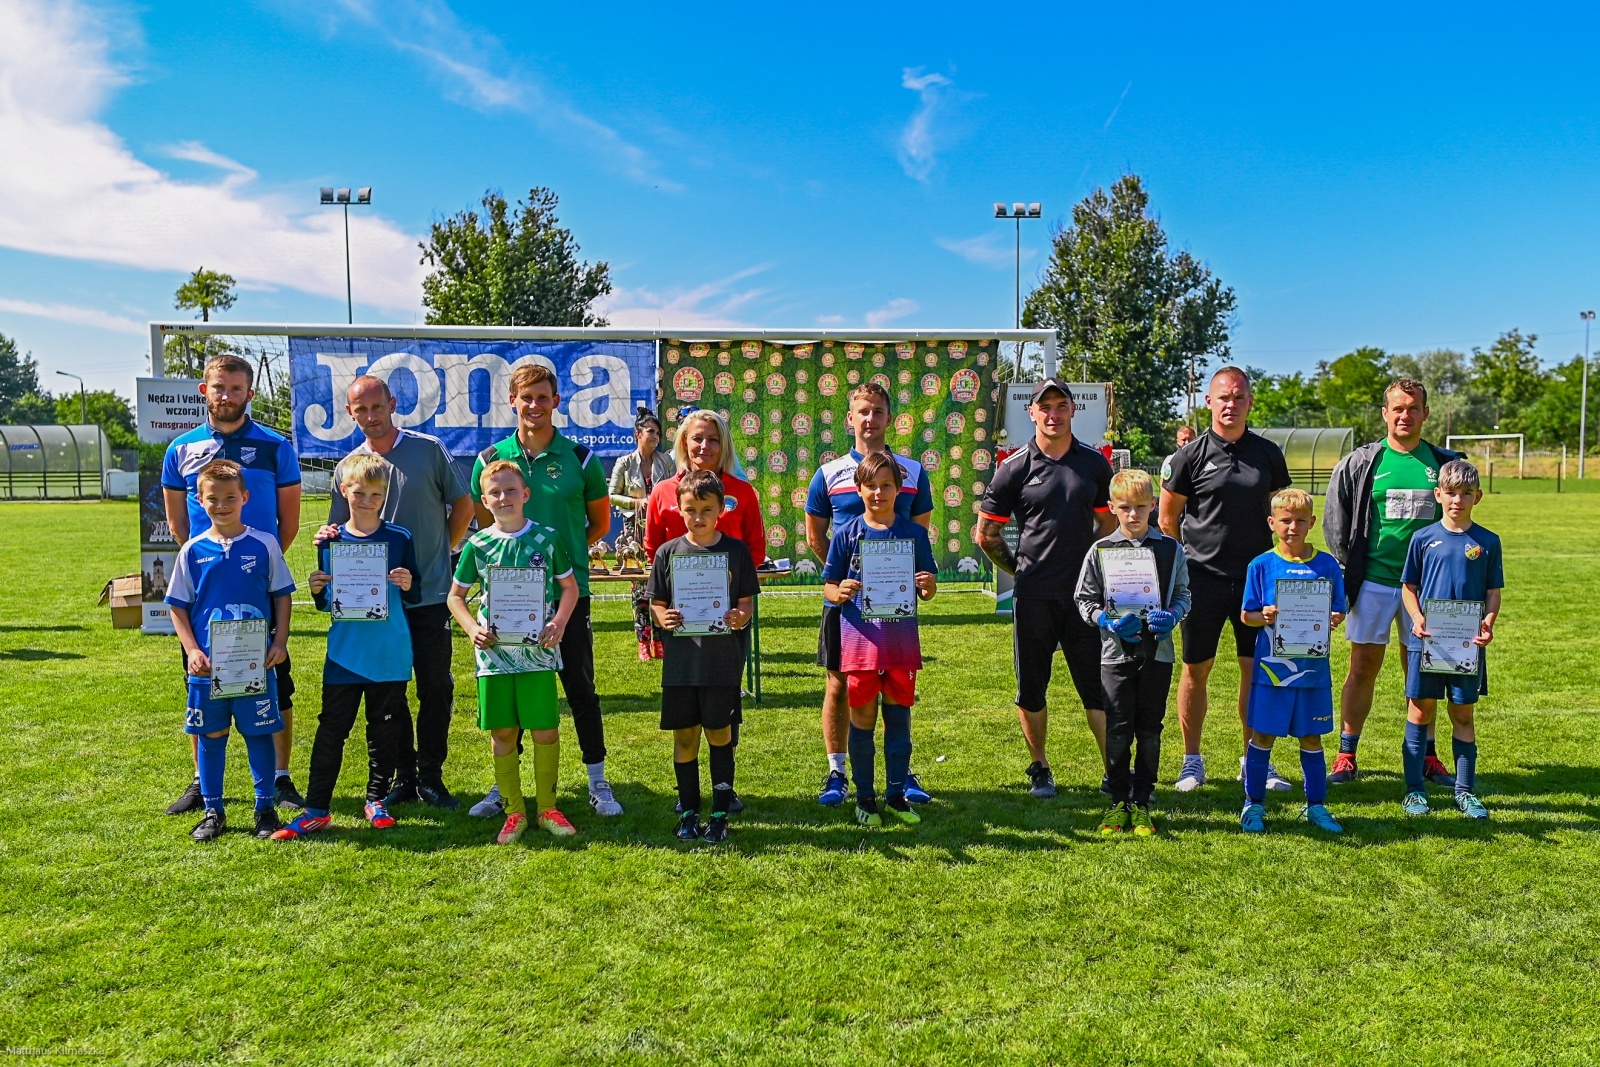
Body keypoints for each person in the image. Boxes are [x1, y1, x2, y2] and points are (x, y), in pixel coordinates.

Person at [468, 363, 620, 819]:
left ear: (557, 402)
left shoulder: (580, 458)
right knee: (510, 691)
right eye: (525, 397)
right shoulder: (491, 458)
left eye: (543, 397)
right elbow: (484, 525)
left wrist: (556, 560)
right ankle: (504, 788)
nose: (534, 405)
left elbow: (600, 524)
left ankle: (597, 780)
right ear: (512, 401)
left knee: (579, 687)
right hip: (506, 598)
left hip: (567, 594)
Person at [318, 374, 474, 811]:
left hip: (428, 597)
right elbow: (337, 529)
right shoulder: (349, 467)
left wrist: (442, 548)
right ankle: (403, 776)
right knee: (390, 691)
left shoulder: (426, 449)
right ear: (351, 413)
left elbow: (463, 505)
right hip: (376, 606)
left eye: (377, 406)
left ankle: (431, 776)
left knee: (435, 687)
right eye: (360, 410)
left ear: (392, 403)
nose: (370, 416)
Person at [161, 354, 304, 815]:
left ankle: (280, 778)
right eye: (219, 387)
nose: (227, 396)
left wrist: (254, 562)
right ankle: (204, 783)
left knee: (274, 679)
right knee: (199, 679)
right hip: (207, 591)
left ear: (249, 393)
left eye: (236, 388)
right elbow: (179, 524)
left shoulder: (276, 446)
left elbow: (289, 523)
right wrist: (211, 565)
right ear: (204, 391)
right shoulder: (179, 450)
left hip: (257, 587)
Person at [975, 378, 1115, 799]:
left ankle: (1113, 770)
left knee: (1096, 683)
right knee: (1032, 686)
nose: (1053, 415)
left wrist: (1090, 565)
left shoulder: (1093, 464)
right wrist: (1022, 571)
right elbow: (986, 535)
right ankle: (1040, 767)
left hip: (1083, 599)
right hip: (1034, 596)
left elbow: (1108, 523)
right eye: (1045, 407)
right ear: (1032, 413)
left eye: (1060, 406)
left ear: (1073, 410)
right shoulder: (1014, 468)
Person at [1159, 366, 1293, 793]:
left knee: (1255, 673)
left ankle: (1255, 760)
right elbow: (1167, 518)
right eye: (1223, 397)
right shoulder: (1189, 456)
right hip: (1202, 581)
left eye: (1239, 397)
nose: (1231, 404)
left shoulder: (1269, 453)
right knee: (1196, 671)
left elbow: (1285, 514)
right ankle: (1191, 761)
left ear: (1250, 402)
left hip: (1257, 583)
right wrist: (1182, 570)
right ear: (1208, 402)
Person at [1324, 378, 1463, 787]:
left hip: (1427, 590)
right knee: (1362, 668)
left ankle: (1427, 755)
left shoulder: (1443, 463)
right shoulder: (1362, 461)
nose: (1405, 415)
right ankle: (1347, 754)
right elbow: (1337, 522)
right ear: (1385, 414)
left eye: (1413, 407)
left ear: (1426, 413)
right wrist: (1350, 572)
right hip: (1375, 584)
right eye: (1397, 408)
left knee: (1423, 671)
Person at [274, 455, 421, 840]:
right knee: (331, 730)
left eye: (376, 494)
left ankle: (376, 799)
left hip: (389, 652)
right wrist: (318, 589)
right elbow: (327, 605)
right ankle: (318, 808)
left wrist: (407, 583)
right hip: (345, 653)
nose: (368, 500)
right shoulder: (331, 540)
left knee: (384, 731)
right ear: (344, 491)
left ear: (385, 495)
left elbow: (415, 590)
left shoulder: (399, 538)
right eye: (360, 493)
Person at [805, 382, 935, 807]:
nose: (870, 419)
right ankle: (837, 772)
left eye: (878, 411)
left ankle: (901, 776)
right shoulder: (828, 473)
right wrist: (849, 579)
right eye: (862, 411)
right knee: (840, 687)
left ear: (888, 417)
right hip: (847, 607)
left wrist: (902, 582)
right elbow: (816, 535)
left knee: (897, 694)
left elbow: (917, 538)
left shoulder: (913, 471)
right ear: (850, 418)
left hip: (896, 612)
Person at [449, 460, 581, 844]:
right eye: (495, 492)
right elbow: (455, 597)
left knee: (544, 729)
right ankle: (513, 811)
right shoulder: (478, 544)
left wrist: (558, 622)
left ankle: (548, 808)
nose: (503, 497)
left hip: (537, 652)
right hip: (494, 656)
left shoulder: (547, 538)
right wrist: (472, 628)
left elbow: (569, 588)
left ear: (525, 495)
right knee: (503, 731)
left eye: (510, 490)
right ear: (484, 501)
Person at [643, 408, 766, 814]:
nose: (704, 446)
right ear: (683, 443)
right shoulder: (662, 492)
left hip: (727, 620)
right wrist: (665, 611)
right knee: (687, 711)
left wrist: (737, 607)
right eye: (696, 438)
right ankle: (691, 795)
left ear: (724, 444)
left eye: (713, 439)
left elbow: (755, 550)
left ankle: (723, 789)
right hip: (682, 626)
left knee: (721, 707)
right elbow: (655, 552)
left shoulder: (743, 492)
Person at [163, 460, 295, 842]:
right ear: (200, 500)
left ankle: (264, 807)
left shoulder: (264, 543)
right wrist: (191, 650)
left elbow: (282, 596)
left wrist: (279, 641)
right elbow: (177, 605)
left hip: (254, 664)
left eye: (230, 498)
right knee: (211, 735)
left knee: (259, 733)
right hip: (207, 667)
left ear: (245, 498)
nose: (222, 505)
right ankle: (213, 809)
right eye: (213, 499)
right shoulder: (191, 550)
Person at [822, 452, 939, 827]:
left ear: (898, 489)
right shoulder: (846, 534)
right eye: (870, 485)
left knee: (899, 718)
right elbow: (828, 586)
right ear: (859, 489)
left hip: (900, 644)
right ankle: (865, 798)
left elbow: (929, 589)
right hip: (860, 643)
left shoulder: (914, 534)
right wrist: (839, 591)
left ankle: (895, 796)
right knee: (863, 718)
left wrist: (927, 586)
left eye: (886, 485)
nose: (878, 492)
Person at [1075, 469, 1190, 837]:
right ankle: (1117, 801)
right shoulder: (1100, 550)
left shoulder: (1171, 549)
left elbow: (1185, 595)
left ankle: (1142, 801)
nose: (1133, 514)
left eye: (1141, 506)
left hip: (1158, 654)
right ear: (1112, 508)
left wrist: (1172, 615)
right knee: (1118, 727)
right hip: (1114, 654)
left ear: (1154, 505)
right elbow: (1084, 598)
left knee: (1150, 727)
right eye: (1124, 507)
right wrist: (1105, 621)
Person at [1237, 488, 1348, 835]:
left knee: (1312, 738)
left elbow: (1339, 609)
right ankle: (1253, 805)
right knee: (1263, 735)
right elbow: (1246, 615)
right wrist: (1264, 616)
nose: (1292, 527)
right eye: (1285, 520)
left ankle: (1316, 806)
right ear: (1272, 523)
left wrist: (1332, 617)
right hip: (1272, 671)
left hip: (1313, 671)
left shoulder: (1327, 564)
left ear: (1312, 522)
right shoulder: (1261, 565)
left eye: (1301, 521)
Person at [1398, 460, 1501, 819]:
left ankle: (1465, 791)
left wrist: (1487, 622)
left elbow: (1493, 592)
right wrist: (1416, 618)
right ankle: (1414, 791)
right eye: (1452, 493)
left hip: (1466, 645)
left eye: (1466, 493)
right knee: (1420, 710)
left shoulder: (1487, 542)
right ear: (1438, 494)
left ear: (1478, 497)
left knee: (1462, 713)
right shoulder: (1423, 538)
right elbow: (1408, 588)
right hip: (1427, 641)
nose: (1458, 500)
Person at [611, 406, 677, 662]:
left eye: (658, 433)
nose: (655, 437)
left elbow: (675, 489)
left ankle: (660, 639)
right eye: (650, 432)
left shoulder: (666, 461)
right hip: (634, 531)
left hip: (662, 528)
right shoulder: (624, 463)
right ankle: (643, 639)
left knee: (662, 583)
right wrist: (637, 503)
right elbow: (611, 496)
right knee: (639, 585)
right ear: (637, 434)